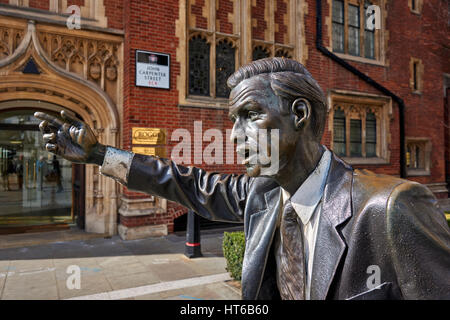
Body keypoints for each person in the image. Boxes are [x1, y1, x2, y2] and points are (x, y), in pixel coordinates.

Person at [34, 58, 450, 300]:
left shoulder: (389, 209)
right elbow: (188, 184)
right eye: (233, 120)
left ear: (300, 115)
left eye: (251, 115)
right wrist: (99, 154)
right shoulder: (263, 194)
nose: (234, 135)